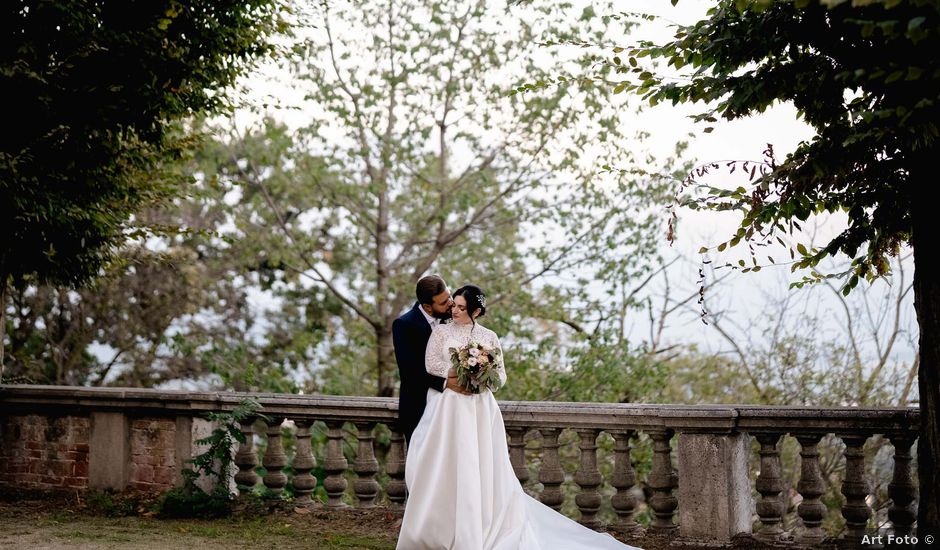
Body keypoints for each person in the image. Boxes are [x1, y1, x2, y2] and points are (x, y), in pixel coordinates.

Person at [397, 284, 641, 550]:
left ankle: (479, 526)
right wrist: (459, 372)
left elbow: (500, 376)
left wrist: (480, 375)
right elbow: (431, 365)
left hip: (479, 409)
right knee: (444, 466)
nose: (453, 310)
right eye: (452, 305)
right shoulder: (442, 332)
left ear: (476, 311)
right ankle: (439, 529)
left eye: (460, 307)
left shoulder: (489, 336)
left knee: (478, 465)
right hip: (447, 409)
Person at [393, 275, 470, 444]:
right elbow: (409, 370)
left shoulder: (453, 318)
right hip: (419, 409)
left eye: (449, 296)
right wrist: (446, 383)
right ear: (427, 307)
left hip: (451, 410)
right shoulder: (404, 325)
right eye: (443, 302)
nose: (450, 303)